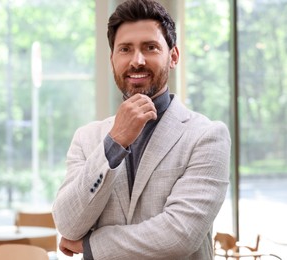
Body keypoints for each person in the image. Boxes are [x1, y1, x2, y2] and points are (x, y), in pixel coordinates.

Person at [52, 0, 231, 259]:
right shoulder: (87, 137)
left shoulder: (207, 136)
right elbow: (68, 224)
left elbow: (180, 234)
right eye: (125, 49)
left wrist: (92, 245)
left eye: (150, 47)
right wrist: (114, 142)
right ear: (112, 59)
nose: (137, 61)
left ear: (173, 56)